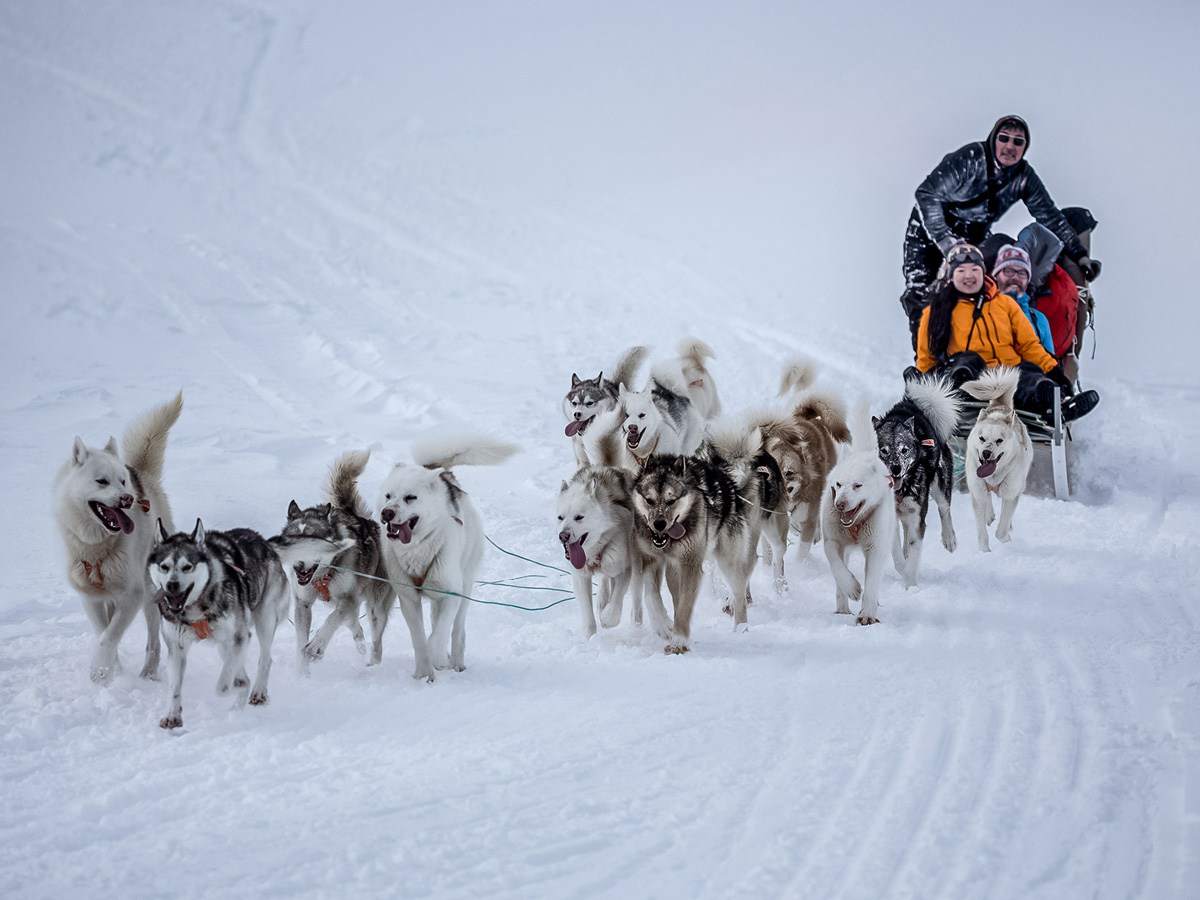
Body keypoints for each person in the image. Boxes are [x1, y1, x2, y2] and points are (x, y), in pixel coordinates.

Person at [899, 115, 1101, 349]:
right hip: (929, 230)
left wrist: (1079, 254)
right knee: (922, 293)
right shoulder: (971, 159)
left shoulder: (1024, 177)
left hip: (973, 234)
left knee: (978, 286)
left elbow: (1051, 217)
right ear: (993, 139)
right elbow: (927, 194)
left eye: (1018, 142)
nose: (1009, 146)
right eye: (1004, 138)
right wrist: (947, 243)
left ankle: (973, 356)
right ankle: (927, 367)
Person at [910, 243, 1099, 423]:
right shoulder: (936, 311)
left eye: (974, 270)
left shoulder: (1005, 304)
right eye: (961, 271)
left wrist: (1055, 373)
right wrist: (923, 388)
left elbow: (1029, 345)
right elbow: (927, 357)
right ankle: (960, 395)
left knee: (1029, 372)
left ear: (983, 273)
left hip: (1007, 376)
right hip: (971, 376)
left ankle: (1051, 405)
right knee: (967, 360)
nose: (969, 276)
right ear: (951, 276)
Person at [991, 244, 1055, 355]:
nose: (1015, 277)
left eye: (1022, 273)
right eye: (1008, 271)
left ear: (1028, 280)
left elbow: (1050, 364)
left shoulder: (1039, 320)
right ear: (996, 276)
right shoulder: (981, 312)